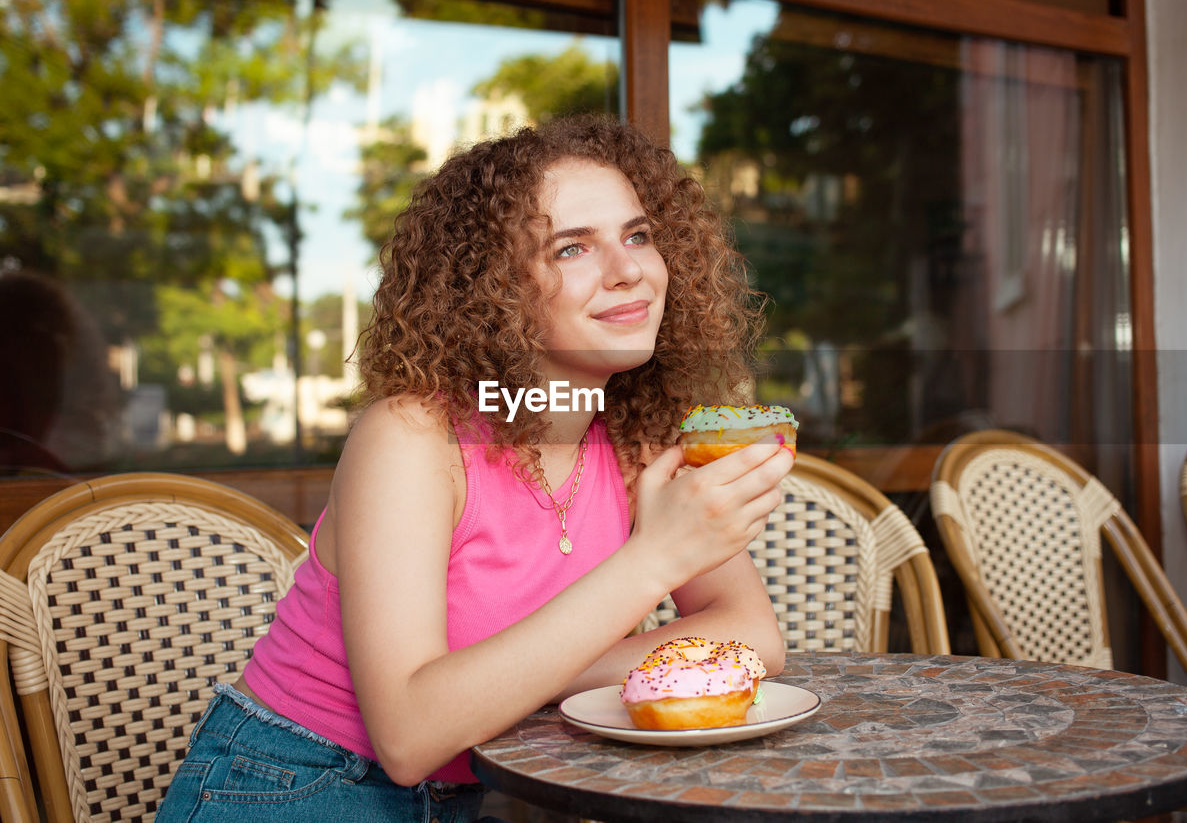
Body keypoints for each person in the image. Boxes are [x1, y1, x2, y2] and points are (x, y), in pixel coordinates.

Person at [155, 116, 793, 822]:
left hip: (495, 790)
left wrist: (523, 677)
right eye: (572, 247)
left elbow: (754, 634)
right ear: (492, 290)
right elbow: (410, 733)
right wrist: (653, 561)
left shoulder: (636, 436)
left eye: (637, 234)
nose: (629, 269)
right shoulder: (412, 438)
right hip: (301, 784)